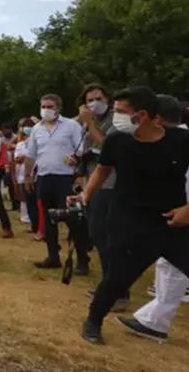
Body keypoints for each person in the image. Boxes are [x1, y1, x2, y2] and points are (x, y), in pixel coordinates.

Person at [78, 86, 189, 345]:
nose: (115, 116)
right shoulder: (116, 140)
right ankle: (93, 322)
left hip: (173, 221)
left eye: (121, 111)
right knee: (117, 277)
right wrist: (86, 194)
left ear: (142, 115)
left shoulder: (182, 141)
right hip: (130, 221)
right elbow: (102, 170)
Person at [114, 95, 189, 342]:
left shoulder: (182, 143)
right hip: (180, 212)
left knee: (172, 268)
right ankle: (153, 320)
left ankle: (154, 322)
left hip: (183, 213)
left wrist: (187, 211)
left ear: (156, 116)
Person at [74, 84, 128, 309]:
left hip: (112, 185)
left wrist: (89, 122)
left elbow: (107, 146)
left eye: (98, 98)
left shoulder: (118, 120)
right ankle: (109, 288)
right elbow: (90, 151)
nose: (94, 103)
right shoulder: (93, 122)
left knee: (108, 239)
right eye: (89, 100)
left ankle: (119, 293)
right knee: (98, 237)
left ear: (107, 98)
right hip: (95, 186)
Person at [23, 94, 90, 273]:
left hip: (65, 178)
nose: (46, 109)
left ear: (58, 108)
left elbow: (82, 149)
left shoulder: (71, 126)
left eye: (50, 106)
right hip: (44, 178)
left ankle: (82, 259)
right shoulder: (37, 129)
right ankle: (53, 256)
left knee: (72, 219)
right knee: (48, 219)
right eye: (43, 105)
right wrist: (28, 176)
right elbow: (31, 155)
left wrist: (76, 159)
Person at [12, 119, 37, 233]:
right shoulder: (21, 144)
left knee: (38, 202)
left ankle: (41, 226)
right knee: (29, 201)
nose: (28, 128)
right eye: (26, 126)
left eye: (30, 126)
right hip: (23, 175)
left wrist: (25, 157)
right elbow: (17, 159)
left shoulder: (38, 142)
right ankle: (34, 225)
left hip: (37, 175)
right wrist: (29, 157)